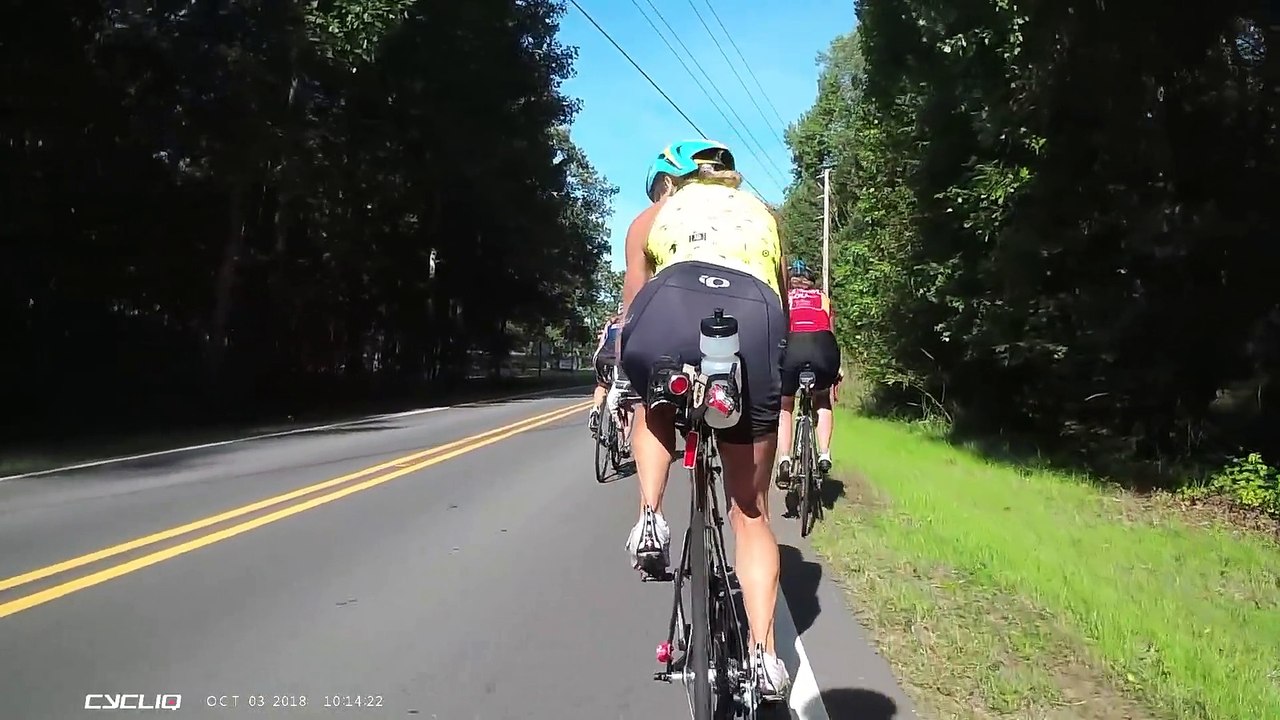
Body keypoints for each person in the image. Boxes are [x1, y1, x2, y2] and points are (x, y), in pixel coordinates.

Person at [616, 138, 792, 701]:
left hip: (670, 303)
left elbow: (631, 311)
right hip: (755, 315)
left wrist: (623, 372)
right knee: (751, 511)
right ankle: (764, 656)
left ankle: (650, 513)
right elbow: (783, 302)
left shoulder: (653, 216)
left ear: (674, 182)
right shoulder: (764, 213)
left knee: (653, 398)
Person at [775, 259, 843, 489]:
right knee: (822, 398)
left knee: (785, 405)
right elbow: (831, 331)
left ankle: (784, 458)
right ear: (811, 283)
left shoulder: (783, 298)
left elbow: (776, 331)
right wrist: (837, 369)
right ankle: (824, 454)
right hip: (823, 347)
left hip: (793, 347)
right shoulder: (823, 298)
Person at [588, 306, 625, 436]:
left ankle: (595, 410)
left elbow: (602, 342)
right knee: (625, 393)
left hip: (601, 357)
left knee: (602, 385)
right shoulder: (633, 322)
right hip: (619, 359)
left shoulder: (610, 322)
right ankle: (624, 441)